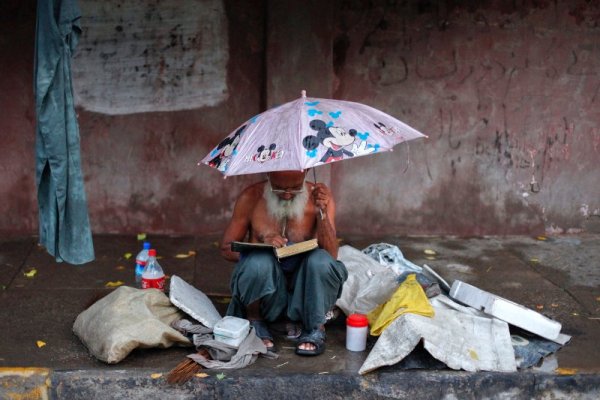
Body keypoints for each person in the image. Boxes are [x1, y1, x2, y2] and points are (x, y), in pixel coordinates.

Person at [220, 170, 348, 356]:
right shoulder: (251, 197)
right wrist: (262, 245)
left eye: (295, 188)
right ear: (269, 176)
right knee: (258, 261)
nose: (287, 195)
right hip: (267, 297)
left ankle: (315, 327)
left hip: (306, 294)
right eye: (279, 188)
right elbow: (226, 248)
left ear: (305, 177)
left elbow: (331, 256)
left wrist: (322, 212)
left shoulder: (319, 197)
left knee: (320, 261)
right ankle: (255, 321)